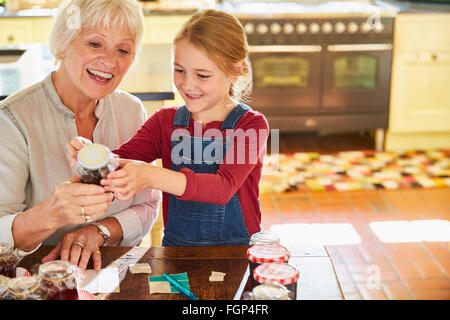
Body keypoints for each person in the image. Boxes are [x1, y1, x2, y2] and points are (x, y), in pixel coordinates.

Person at [69, 9, 269, 246]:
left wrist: (152, 175)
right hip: (176, 249)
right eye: (179, 70)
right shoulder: (165, 122)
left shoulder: (251, 126)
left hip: (236, 252)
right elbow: (119, 160)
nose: (187, 83)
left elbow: (222, 188)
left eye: (202, 75)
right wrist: (93, 159)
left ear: (236, 70)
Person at [0, 0, 161, 270]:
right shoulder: (12, 118)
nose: (110, 61)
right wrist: (50, 214)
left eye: (123, 49)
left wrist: (99, 232)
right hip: (36, 278)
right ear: (63, 44)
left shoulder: (131, 111)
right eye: (95, 44)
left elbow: (148, 205)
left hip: (110, 272)